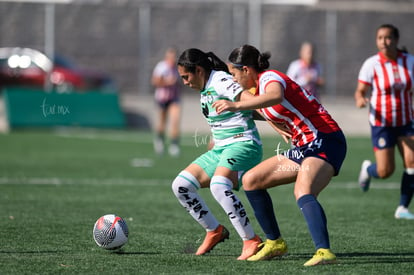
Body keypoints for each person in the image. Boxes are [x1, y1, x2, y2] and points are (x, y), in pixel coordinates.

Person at [212, 44, 347, 266]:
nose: (234, 80)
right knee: (251, 180)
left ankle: (324, 252)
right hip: (304, 147)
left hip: (325, 139)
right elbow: (260, 109)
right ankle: (275, 243)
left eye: (235, 74)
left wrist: (235, 105)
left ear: (246, 69)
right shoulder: (256, 91)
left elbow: (275, 97)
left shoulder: (270, 78)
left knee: (303, 191)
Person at [171, 48, 263, 260]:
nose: (184, 82)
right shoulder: (206, 86)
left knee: (219, 185)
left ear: (199, 70)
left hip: (244, 143)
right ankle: (214, 230)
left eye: (186, 77)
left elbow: (250, 101)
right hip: (221, 148)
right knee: (181, 186)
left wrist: (280, 123)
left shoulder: (220, 80)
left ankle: (251, 239)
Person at [354, 24, 414, 220]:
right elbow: (360, 91)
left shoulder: (409, 62)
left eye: (388, 38)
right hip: (382, 124)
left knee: (412, 163)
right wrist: (360, 99)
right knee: (385, 171)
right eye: (380, 38)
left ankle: (402, 208)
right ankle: (368, 170)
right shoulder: (372, 64)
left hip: (406, 121)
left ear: (396, 40)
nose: (384, 42)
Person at [152, 47, 182, 157]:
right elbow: (155, 81)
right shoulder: (162, 67)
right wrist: (168, 82)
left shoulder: (177, 68)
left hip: (174, 97)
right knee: (162, 123)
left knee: (175, 120)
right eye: (171, 57)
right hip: (162, 98)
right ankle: (159, 141)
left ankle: (174, 145)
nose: (172, 59)